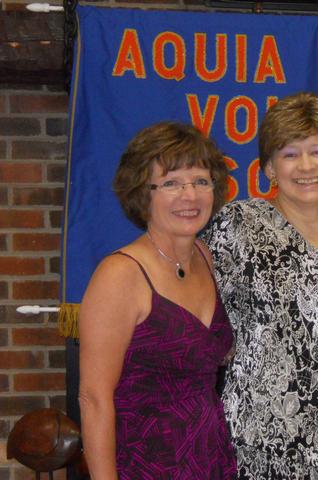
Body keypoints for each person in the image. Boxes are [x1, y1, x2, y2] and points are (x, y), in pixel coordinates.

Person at [200, 92, 318, 479]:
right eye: (290, 154)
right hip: (261, 439)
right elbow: (199, 314)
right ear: (268, 168)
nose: (306, 166)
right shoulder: (238, 225)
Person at [78, 121, 237, 479]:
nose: (189, 196)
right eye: (170, 183)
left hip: (209, 457)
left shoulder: (204, 256)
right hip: (145, 464)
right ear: (142, 192)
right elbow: (93, 398)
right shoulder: (120, 274)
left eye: (200, 181)